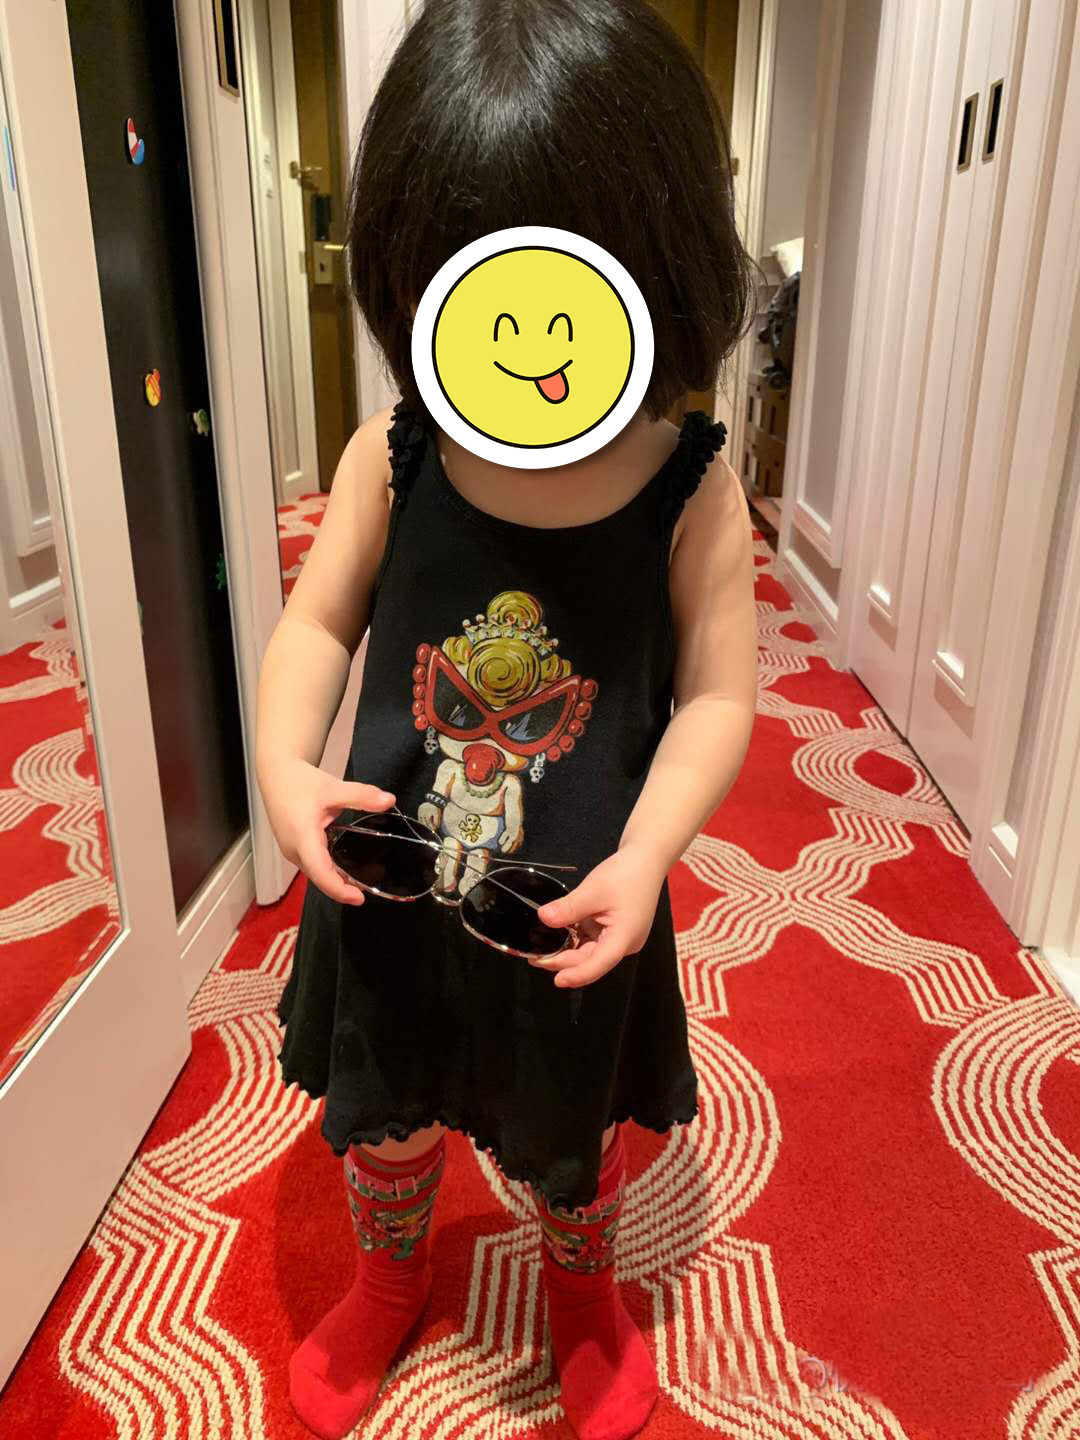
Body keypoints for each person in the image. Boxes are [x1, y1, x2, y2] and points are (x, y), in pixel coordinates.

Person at [255, 2, 759, 1436]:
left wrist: (649, 854)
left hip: (578, 903)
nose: (533, 345)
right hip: (391, 880)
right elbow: (317, 624)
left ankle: (580, 1290)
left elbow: (720, 695)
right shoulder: (394, 454)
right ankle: (390, 1272)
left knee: (571, 1125)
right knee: (390, 1107)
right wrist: (283, 762)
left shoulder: (688, 484)